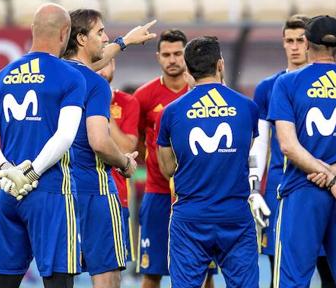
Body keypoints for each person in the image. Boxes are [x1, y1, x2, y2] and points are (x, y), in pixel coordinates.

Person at [0, 3, 86, 288]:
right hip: (50, 190)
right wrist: (31, 173)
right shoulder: (71, 76)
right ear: (65, 34)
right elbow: (65, 135)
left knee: (4, 283)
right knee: (58, 280)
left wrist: (7, 170)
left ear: (33, 31)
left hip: (8, 192)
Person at [268, 15, 336, 287]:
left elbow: (288, 145)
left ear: (306, 42)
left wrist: (328, 176)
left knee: (292, 279)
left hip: (304, 187)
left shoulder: (287, 83)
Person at [157, 36, 260, 287]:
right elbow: (248, 153)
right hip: (235, 216)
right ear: (221, 65)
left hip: (190, 218)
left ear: (188, 70)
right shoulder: (247, 107)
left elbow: (167, 169)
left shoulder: (171, 111)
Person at [249, 15, 336, 287]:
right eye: (290, 40)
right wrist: (253, 187)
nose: (295, 46)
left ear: (310, 43)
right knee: (282, 271)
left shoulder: (333, 84)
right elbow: (261, 141)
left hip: (328, 185)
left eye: (301, 40)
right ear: (283, 43)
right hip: (281, 188)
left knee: (331, 270)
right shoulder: (267, 87)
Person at [62, 9, 138, 288]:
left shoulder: (53, 75)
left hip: (56, 189)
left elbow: (94, 60)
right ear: (81, 38)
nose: (105, 38)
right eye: (100, 33)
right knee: (106, 274)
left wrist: (125, 41)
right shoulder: (95, 83)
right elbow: (99, 141)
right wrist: (125, 163)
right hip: (95, 188)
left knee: (59, 274)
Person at [132, 29, 190, 287]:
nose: (173, 59)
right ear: (158, 57)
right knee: (152, 271)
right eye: (166, 54)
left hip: (194, 195)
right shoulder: (144, 97)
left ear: (186, 55)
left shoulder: (200, 93)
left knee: (203, 272)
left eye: (178, 53)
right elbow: (137, 140)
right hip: (157, 193)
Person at [97, 59, 140, 266]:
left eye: (105, 64)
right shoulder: (72, 101)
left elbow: (127, 148)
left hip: (116, 197)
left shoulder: (128, 103)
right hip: (77, 197)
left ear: (114, 64)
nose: (101, 71)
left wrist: (101, 106)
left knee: (114, 271)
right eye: (96, 64)